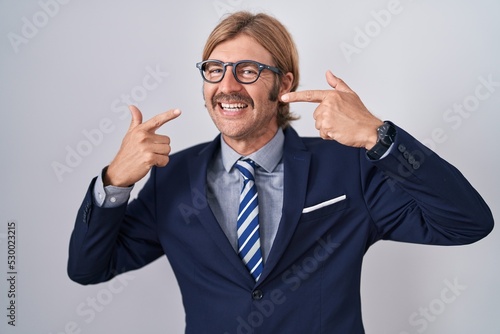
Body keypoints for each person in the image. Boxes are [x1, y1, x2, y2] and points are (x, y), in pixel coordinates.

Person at [67, 11, 494, 334]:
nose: (227, 86)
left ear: (283, 84)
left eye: (248, 71)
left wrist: (379, 138)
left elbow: (466, 223)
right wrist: (113, 182)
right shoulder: (171, 177)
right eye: (215, 70)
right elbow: (89, 268)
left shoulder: (346, 167)